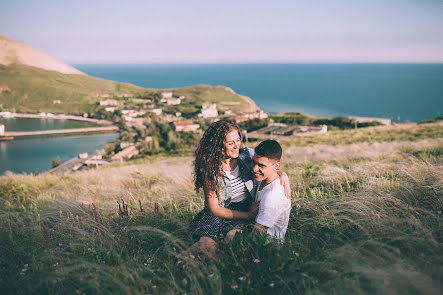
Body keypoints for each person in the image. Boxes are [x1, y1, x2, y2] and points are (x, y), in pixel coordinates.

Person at [189, 119, 290, 258]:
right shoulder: (210, 169)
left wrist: (282, 174)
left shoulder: (247, 154)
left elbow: (267, 163)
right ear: (218, 145)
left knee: (233, 240)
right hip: (221, 212)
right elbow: (214, 208)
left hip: (244, 208)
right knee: (206, 245)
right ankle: (183, 263)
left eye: (238, 140)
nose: (237, 146)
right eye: (231, 143)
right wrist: (248, 215)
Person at [251, 140, 291, 243]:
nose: (255, 169)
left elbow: (257, 236)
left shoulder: (272, 196)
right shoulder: (264, 178)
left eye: (261, 165)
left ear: (276, 166)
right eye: (253, 162)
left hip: (266, 248)